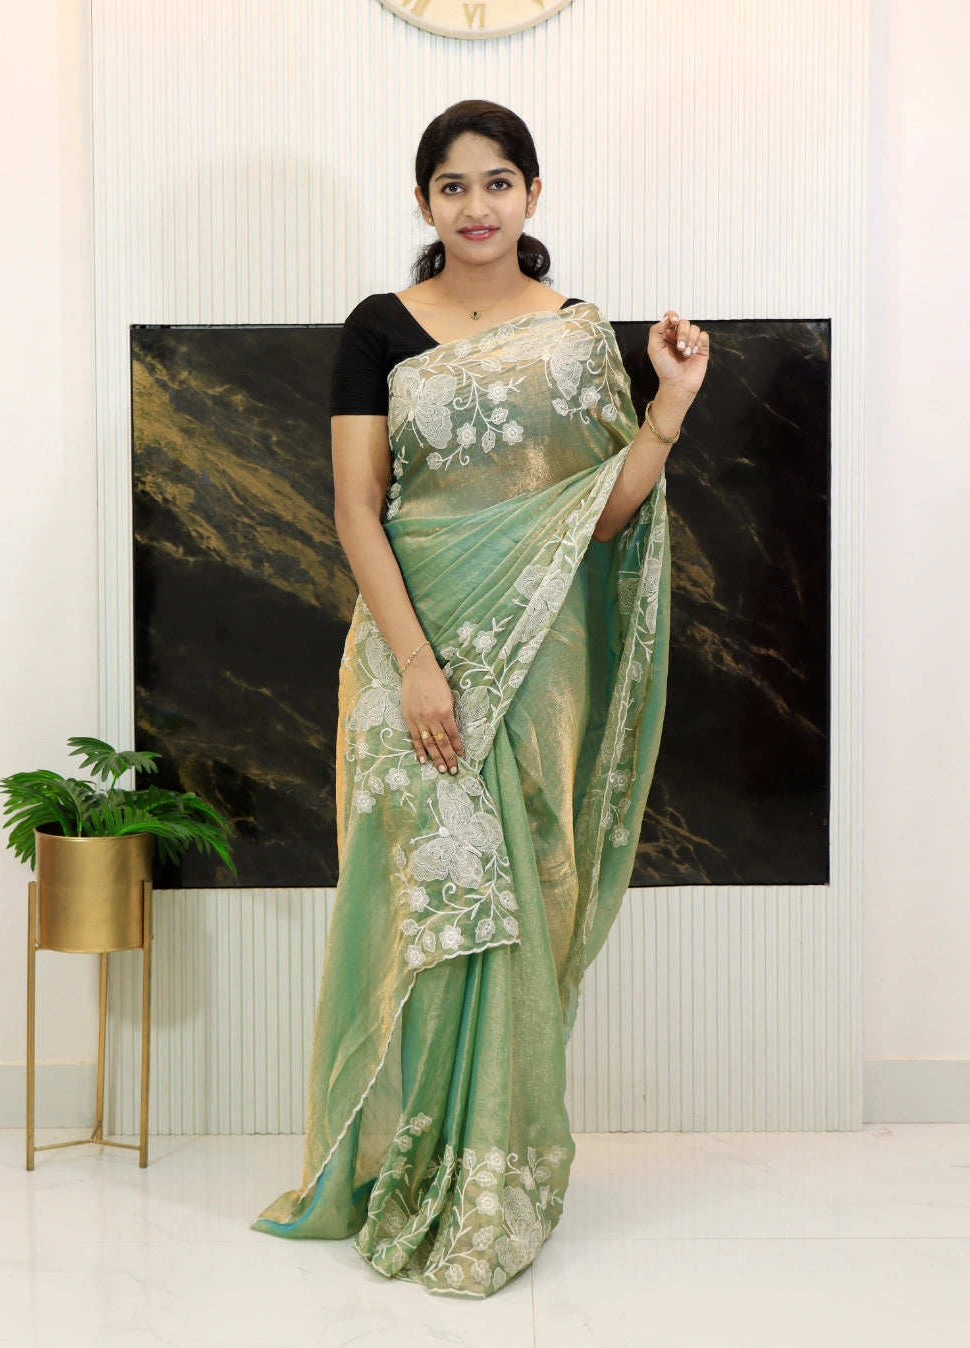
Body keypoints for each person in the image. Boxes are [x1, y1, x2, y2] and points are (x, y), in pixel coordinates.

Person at [253, 99, 709, 1297]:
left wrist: (665, 404)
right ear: (422, 205)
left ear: (533, 194)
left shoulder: (573, 339)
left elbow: (599, 518)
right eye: (452, 188)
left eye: (497, 182)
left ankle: (493, 1168)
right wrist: (412, 662)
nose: (476, 207)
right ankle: (404, 1157)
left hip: (535, 659)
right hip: (409, 647)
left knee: (523, 885)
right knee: (416, 896)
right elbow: (358, 505)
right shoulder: (376, 329)